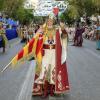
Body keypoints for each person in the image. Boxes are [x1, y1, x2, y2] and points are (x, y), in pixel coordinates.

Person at [32, 17, 70, 98]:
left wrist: (63, 29)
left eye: (51, 21)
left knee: (53, 70)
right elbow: (35, 38)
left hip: (54, 53)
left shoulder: (58, 29)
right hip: (45, 52)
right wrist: (39, 32)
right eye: (48, 20)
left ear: (53, 21)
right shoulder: (43, 29)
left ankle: (52, 90)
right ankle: (45, 90)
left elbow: (64, 37)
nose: (50, 22)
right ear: (46, 21)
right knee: (44, 70)